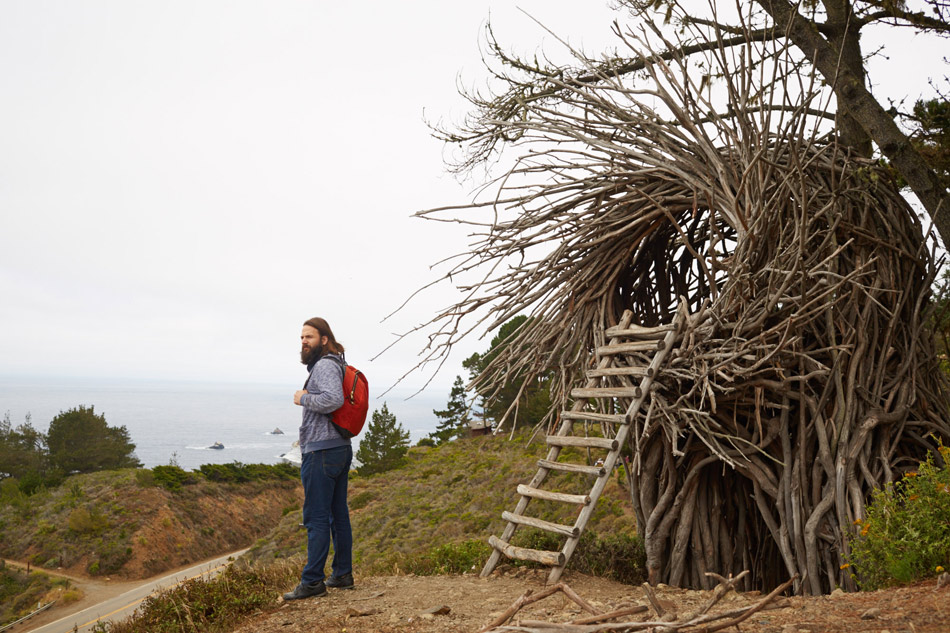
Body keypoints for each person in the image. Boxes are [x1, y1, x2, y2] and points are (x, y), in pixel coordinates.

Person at [283, 317, 355, 600]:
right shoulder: (337, 363)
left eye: (309, 337)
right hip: (338, 448)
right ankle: (342, 574)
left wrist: (303, 398)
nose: (304, 342)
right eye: (302, 337)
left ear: (324, 339)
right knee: (338, 516)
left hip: (322, 451)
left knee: (315, 519)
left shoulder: (325, 365)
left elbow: (333, 399)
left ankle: (313, 581)